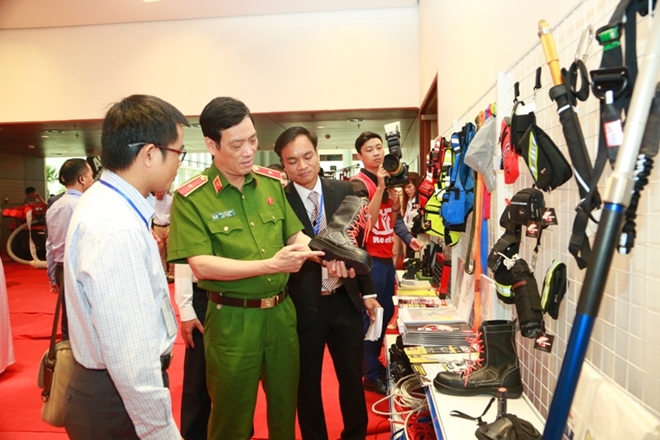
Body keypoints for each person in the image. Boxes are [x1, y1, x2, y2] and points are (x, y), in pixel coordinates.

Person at [168, 97, 344, 440]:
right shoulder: (192, 198)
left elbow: (295, 236)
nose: (249, 151)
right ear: (212, 145)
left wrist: (328, 255)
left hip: (281, 315)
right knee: (230, 420)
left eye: (252, 140)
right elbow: (201, 265)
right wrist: (270, 264)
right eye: (237, 145)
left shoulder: (271, 183)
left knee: (284, 412)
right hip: (232, 321)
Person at [62, 94, 189, 440]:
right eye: (178, 152)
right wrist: (161, 431)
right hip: (117, 402)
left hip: (108, 393)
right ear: (149, 154)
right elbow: (131, 360)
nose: (179, 163)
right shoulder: (118, 227)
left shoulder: (104, 199)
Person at [275, 126, 380, 440]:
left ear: (318, 154)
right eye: (292, 161)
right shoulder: (278, 201)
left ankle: (355, 435)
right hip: (303, 306)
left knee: (351, 378)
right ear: (283, 164)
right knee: (306, 384)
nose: (302, 166)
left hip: (344, 299)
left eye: (307, 156)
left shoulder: (345, 190)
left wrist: (369, 292)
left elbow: (357, 244)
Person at [350, 131, 422, 395]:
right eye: (369, 149)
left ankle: (372, 364)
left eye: (379, 147)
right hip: (369, 262)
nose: (376, 153)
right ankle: (369, 374)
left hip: (386, 258)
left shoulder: (390, 180)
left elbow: (394, 221)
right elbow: (365, 221)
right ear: (360, 156)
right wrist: (380, 188)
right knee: (373, 317)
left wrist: (407, 236)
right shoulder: (358, 184)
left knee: (386, 313)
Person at [45, 159, 94, 339]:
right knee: (87, 316)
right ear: (82, 179)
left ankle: (67, 348)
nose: (93, 180)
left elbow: (50, 243)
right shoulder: (84, 205)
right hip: (81, 267)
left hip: (61, 268)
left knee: (68, 316)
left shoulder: (54, 206)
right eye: (91, 176)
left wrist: (52, 275)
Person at [174, 264, 211, 440]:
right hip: (203, 294)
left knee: (237, 377)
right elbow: (183, 261)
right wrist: (186, 310)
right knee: (198, 375)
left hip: (241, 293)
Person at [392, 171, 423, 263]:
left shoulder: (421, 201)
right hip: (405, 233)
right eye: (404, 187)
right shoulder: (408, 200)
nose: (406, 190)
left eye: (409, 187)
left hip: (416, 236)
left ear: (416, 185)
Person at [152, 191, 174, 280]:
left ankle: (172, 274)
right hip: (157, 227)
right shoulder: (151, 200)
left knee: (171, 250)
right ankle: (163, 273)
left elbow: (174, 213)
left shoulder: (170, 199)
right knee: (160, 252)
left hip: (169, 226)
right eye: (157, 192)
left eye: (161, 192)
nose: (159, 194)